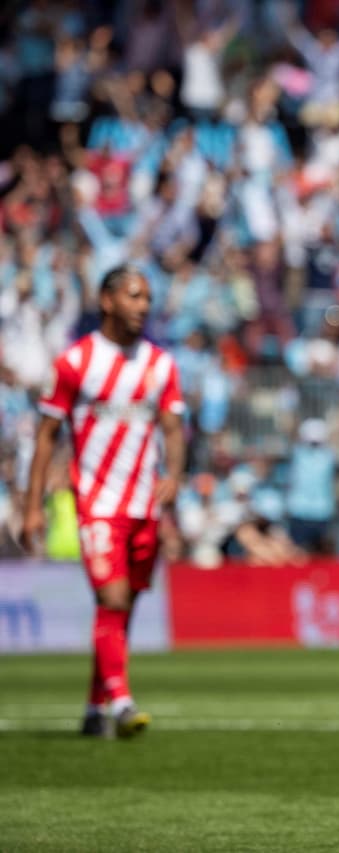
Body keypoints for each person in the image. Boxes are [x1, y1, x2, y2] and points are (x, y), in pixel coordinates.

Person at [20, 264, 186, 738]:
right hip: (96, 501)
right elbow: (47, 435)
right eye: (134, 296)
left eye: (148, 298)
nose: (143, 307)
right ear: (108, 300)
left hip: (143, 504)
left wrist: (174, 474)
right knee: (111, 597)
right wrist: (34, 505)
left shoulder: (160, 364)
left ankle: (95, 707)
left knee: (124, 607)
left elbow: (173, 428)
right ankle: (122, 703)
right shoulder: (76, 362)